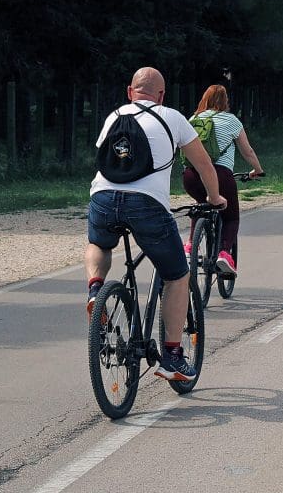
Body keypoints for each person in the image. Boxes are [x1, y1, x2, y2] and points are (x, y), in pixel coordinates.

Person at [85, 67, 224, 383]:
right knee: (177, 276)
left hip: (103, 198)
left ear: (129, 92)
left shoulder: (114, 116)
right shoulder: (173, 117)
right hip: (146, 206)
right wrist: (215, 198)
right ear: (161, 95)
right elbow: (203, 164)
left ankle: (95, 289)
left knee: (99, 244)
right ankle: (172, 357)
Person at [181, 83, 265, 276]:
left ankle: (190, 246)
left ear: (204, 99)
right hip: (220, 175)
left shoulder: (193, 119)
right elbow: (247, 151)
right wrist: (258, 170)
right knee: (231, 217)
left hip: (191, 176)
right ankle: (225, 253)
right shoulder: (231, 120)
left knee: (200, 205)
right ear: (225, 101)